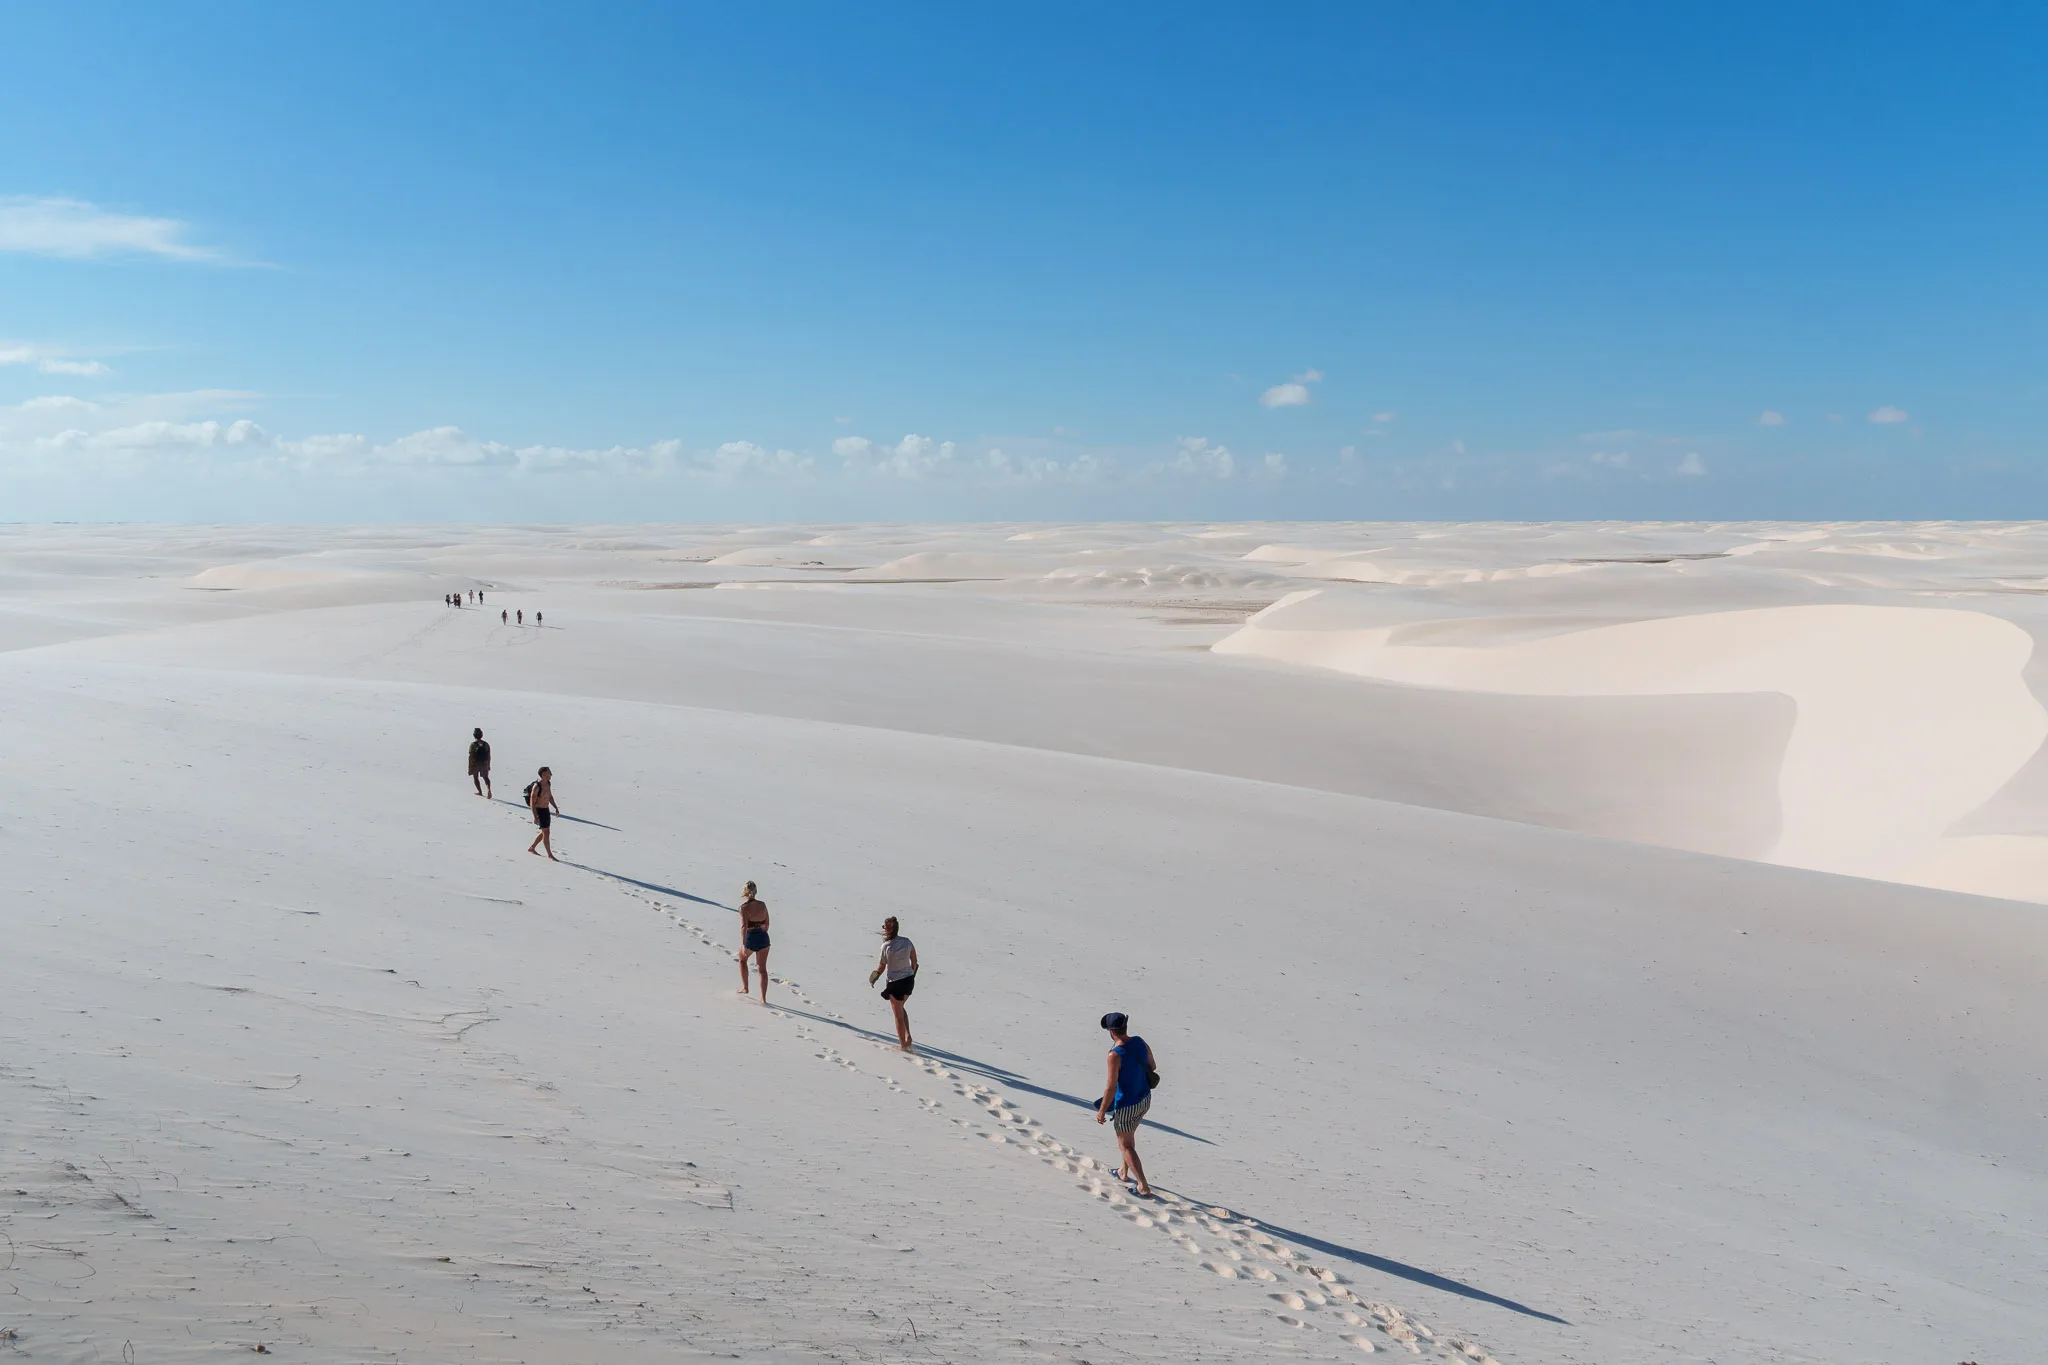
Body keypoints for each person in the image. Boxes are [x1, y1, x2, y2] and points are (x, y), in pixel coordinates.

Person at [1095, 1012, 1157, 1196]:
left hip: (1126, 1105)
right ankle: (1123, 1172)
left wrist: (1102, 1110)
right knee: (1128, 1137)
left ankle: (1143, 1186)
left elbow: (1110, 1088)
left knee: (1126, 1145)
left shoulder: (1114, 1055)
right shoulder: (1139, 1041)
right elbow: (1152, 1066)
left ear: (1111, 1032)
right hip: (1144, 1099)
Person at [868, 917, 918, 1050]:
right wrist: (911, 975)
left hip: (895, 983)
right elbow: (914, 962)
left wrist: (873, 978)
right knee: (901, 1007)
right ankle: (907, 1036)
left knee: (898, 1016)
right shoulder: (907, 942)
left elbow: (881, 968)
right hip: (908, 981)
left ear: (887, 930)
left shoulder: (886, 946)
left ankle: (903, 1046)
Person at [737, 881, 771, 1002]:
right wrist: (763, 932)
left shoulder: (743, 908)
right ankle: (763, 998)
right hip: (763, 936)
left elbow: (744, 926)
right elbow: (767, 923)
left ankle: (745, 987)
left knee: (742, 960)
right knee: (762, 968)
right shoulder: (762, 904)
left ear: (744, 892)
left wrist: (743, 944)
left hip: (751, 937)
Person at [525, 765, 559, 859]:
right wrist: (535, 816)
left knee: (545, 831)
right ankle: (549, 854)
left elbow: (550, 796)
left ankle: (532, 847)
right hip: (539, 810)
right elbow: (532, 802)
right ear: (543, 774)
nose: (550, 774)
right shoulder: (537, 786)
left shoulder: (548, 783)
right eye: (548, 772)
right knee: (546, 832)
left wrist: (555, 807)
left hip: (546, 810)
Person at [468, 728, 492, 798]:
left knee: (475, 778)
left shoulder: (473, 745)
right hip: (484, 763)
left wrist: (470, 767)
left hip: (475, 763)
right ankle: (488, 789)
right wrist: (488, 765)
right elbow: (488, 756)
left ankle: (480, 792)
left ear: (474, 735)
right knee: (486, 778)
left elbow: (470, 757)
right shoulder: (486, 744)